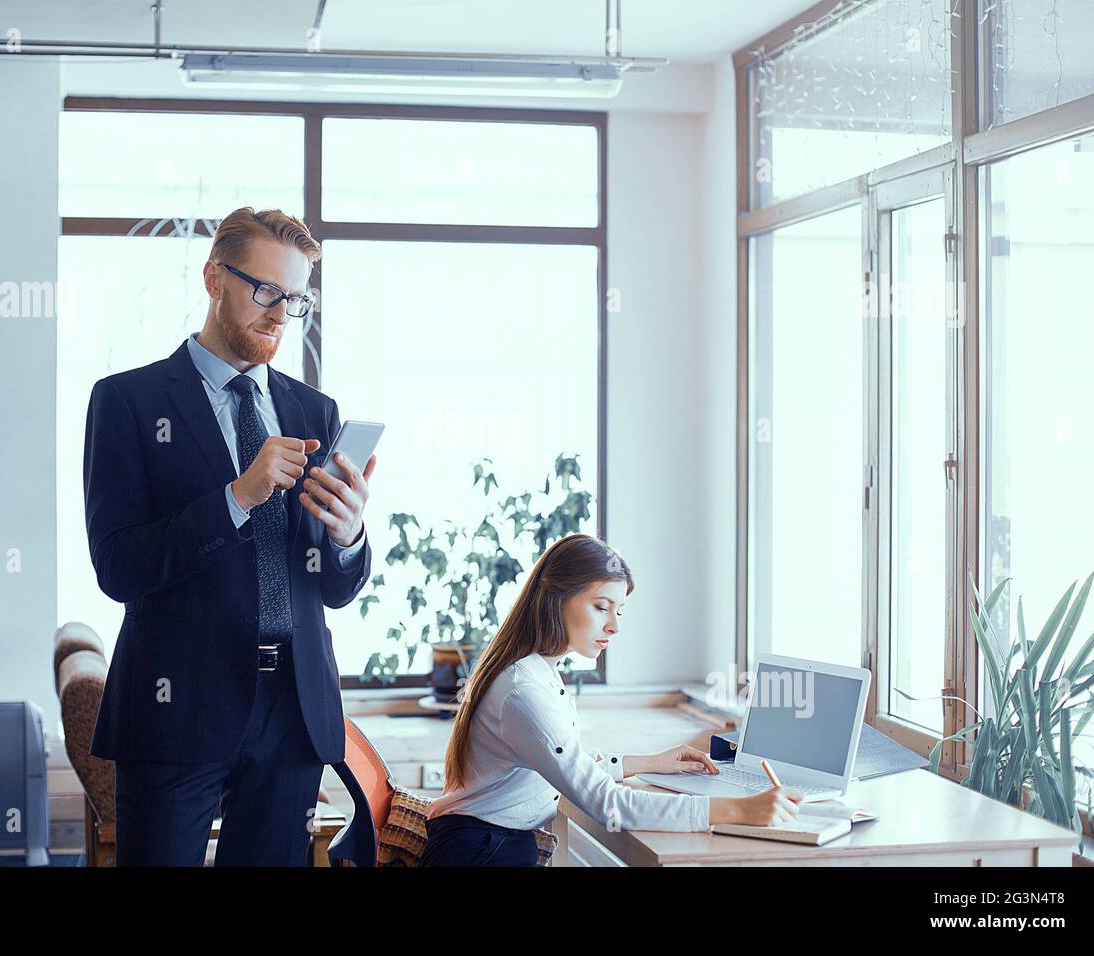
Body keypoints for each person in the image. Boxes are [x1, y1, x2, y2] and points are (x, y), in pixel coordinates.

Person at [83, 207, 375, 865]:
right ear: (213, 277)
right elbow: (117, 566)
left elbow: (332, 587)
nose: (278, 313)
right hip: (174, 706)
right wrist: (238, 497)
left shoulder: (313, 411)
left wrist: (349, 534)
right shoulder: (126, 403)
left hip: (293, 710)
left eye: (294, 299)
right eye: (264, 290)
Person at [422, 533, 802, 866]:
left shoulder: (538, 671)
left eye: (619, 611)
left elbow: (564, 769)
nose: (614, 626)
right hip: (481, 853)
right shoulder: (524, 691)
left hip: (489, 844)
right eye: (601, 607)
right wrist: (739, 809)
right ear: (555, 599)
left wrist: (649, 762)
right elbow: (608, 804)